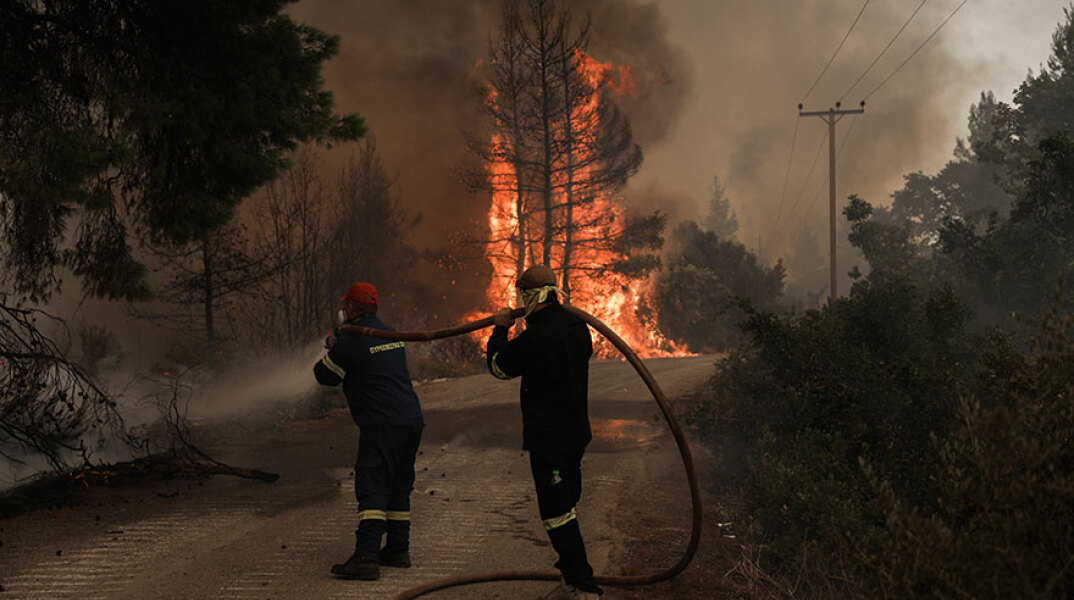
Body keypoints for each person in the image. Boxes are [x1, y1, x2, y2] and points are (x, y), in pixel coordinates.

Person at [486, 265, 602, 599]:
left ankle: (583, 583)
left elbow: (498, 367)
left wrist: (499, 330)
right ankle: (569, 579)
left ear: (530, 296)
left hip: (549, 439)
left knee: (556, 512)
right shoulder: (578, 327)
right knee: (567, 502)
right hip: (576, 433)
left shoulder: (538, 337)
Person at [314, 281, 424, 581]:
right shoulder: (391, 334)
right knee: (399, 484)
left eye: (345, 306)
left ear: (351, 308)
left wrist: (335, 348)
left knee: (374, 485)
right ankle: (398, 550)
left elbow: (324, 376)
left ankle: (366, 557)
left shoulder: (352, 341)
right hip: (411, 420)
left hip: (382, 425)